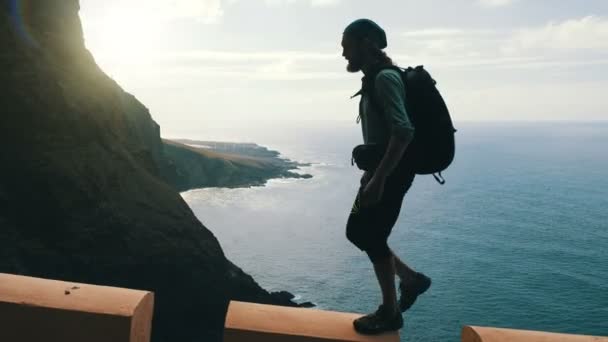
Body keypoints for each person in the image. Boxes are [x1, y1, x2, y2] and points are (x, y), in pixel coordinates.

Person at [342, 18, 432, 335]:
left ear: (365, 43)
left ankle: (390, 313)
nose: (343, 54)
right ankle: (411, 279)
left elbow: (403, 132)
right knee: (359, 232)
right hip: (380, 172)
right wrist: (371, 175)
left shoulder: (384, 79)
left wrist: (379, 179)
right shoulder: (374, 78)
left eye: (346, 46)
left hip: (392, 175)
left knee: (371, 236)